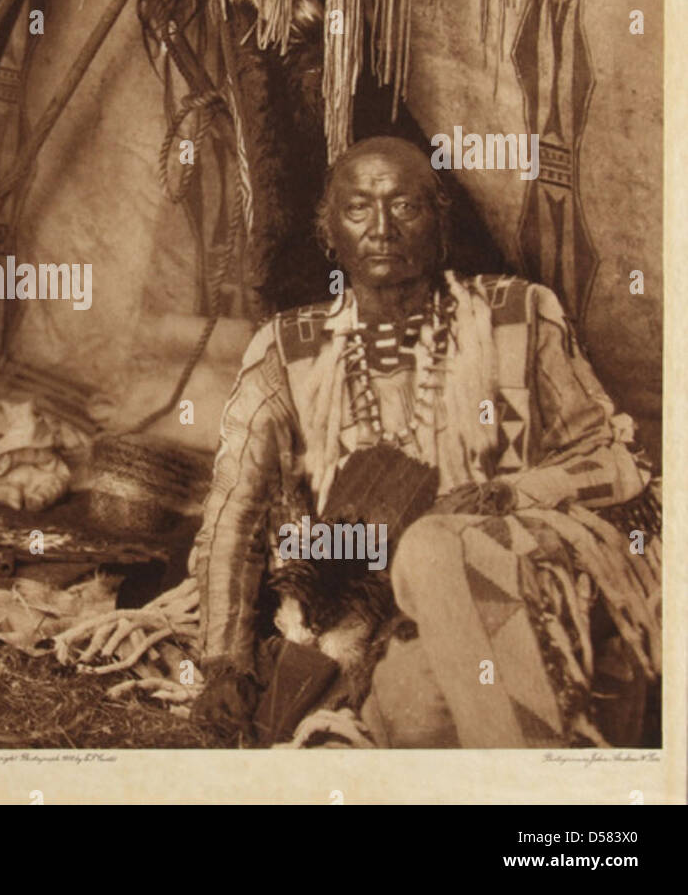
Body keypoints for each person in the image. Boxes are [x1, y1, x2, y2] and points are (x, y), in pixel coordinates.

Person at [189, 136, 660, 748]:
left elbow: (616, 462)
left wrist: (508, 494)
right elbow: (235, 513)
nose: (382, 227)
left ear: (439, 222)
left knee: (434, 547)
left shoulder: (517, 316)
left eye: (406, 206)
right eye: (359, 209)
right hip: (374, 613)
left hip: (524, 566)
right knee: (411, 708)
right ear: (330, 232)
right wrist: (224, 662)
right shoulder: (287, 349)